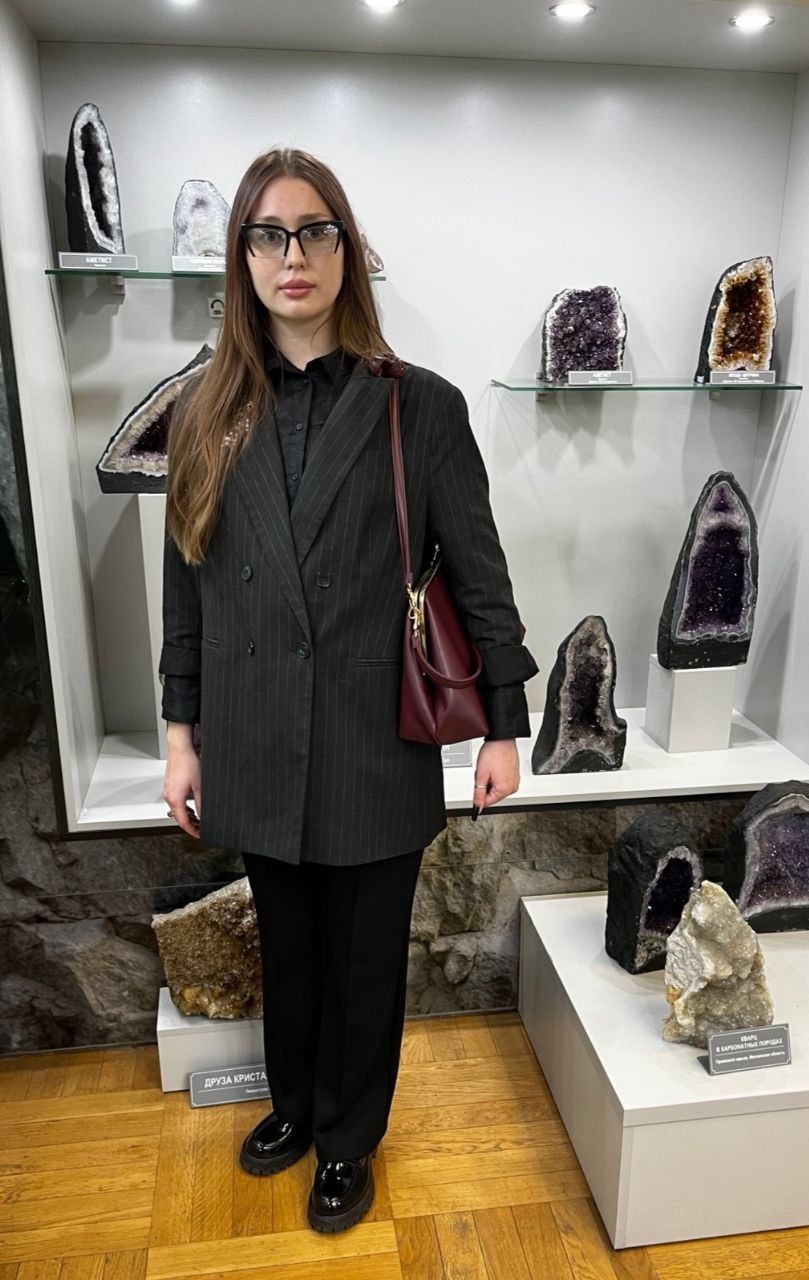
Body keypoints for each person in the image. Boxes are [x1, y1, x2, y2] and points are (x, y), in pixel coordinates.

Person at [159, 147, 539, 1233]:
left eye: (315, 230)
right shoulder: (203, 411)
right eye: (269, 234)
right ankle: (293, 1102)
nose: (294, 255)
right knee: (288, 945)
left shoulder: (419, 406)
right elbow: (186, 589)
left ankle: (348, 1137)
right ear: (242, 257)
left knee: (366, 956)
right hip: (253, 730)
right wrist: (182, 737)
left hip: (377, 732)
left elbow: (478, 570)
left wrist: (502, 726)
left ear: (347, 250)